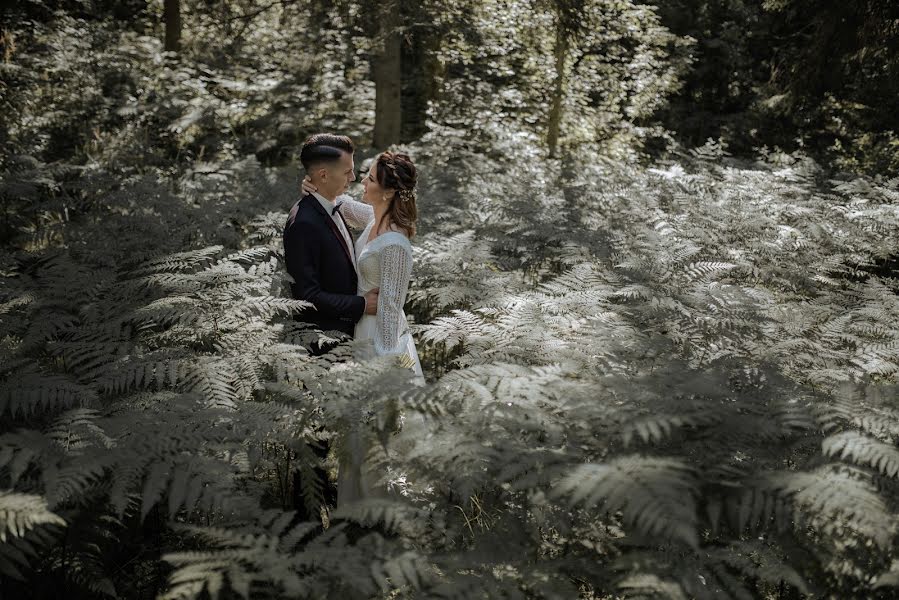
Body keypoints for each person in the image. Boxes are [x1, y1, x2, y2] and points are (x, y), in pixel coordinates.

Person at [301, 149, 424, 506]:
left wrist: (382, 373)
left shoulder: (397, 244)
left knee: (376, 430)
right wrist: (315, 186)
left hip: (380, 340)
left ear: (386, 191)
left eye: (369, 178)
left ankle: (381, 513)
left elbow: (390, 309)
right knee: (357, 432)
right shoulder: (372, 216)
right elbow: (339, 204)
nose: (362, 182)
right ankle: (356, 511)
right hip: (360, 331)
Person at [282, 133, 380, 521]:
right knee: (315, 432)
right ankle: (307, 517)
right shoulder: (304, 221)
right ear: (322, 174)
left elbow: (380, 213)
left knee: (328, 425)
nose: (353, 176)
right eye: (347, 171)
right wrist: (360, 304)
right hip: (320, 340)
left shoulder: (331, 204)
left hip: (341, 334)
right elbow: (307, 294)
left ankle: (325, 497)